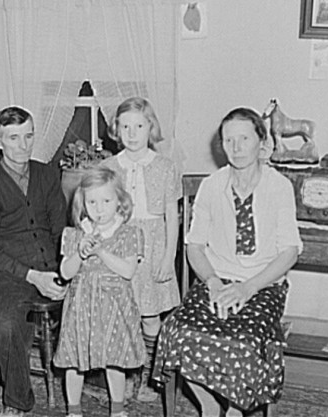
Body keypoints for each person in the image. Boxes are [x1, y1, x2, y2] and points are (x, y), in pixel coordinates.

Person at [152, 107, 303, 417]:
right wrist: (213, 283)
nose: (236, 147)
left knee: (244, 342)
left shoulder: (279, 187)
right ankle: (209, 407)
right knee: (176, 332)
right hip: (216, 281)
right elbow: (195, 247)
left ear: (262, 142)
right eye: (229, 140)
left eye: (244, 138)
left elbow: (289, 252)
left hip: (262, 284)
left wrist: (248, 288)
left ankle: (235, 410)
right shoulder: (211, 186)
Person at [0, 106, 68, 417]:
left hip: (55, 263)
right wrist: (32, 277)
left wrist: (64, 271)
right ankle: (17, 401)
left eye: (28, 136)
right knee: (8, 325)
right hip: (11, 271)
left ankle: (103, 379)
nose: (23, 145)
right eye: (13, 138)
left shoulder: (48, 174)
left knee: (100, 294)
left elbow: (61, 227)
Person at [101, 97, 181, 401]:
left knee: (149, 315)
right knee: (122, 315)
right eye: (125, 127)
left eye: (139, 125)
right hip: (120, 244)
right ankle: (128, 374)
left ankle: (151, 375)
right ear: (116, 130)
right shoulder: (109, 167)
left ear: (151, 127)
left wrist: (168, 257)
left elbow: (171, 217)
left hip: (154, 244)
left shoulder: (165, 166)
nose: (132, 133)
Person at [54, 166, 147, 417]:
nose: (99, 208)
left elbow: (127, 271)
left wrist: (101, 252)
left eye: (106, 200)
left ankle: (117, 408)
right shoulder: (74, 234)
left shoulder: (129, 233)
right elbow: (65, 272)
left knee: (114, 357)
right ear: (82, 204)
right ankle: (73, 409)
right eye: (92, 201)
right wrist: (79, 253)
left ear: (120, 202)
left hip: (114, 307)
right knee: (74, 359)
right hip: (81, 306)